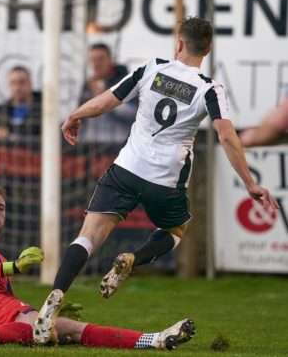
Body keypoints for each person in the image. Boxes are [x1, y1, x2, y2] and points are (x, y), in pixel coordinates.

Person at [33, 17, 280, 344]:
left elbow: (108, 100)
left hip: (126, 169)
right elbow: (227, 138)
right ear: (207, 50)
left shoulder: (152, 68)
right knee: (176, 231)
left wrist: (76, 115)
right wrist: (250, 183)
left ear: (178, 43)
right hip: (165, 182)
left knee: (88, 237)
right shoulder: (209, 88)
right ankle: (134, 259)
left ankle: (55, 295)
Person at [0, 183, 195, 350]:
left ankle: (154, 339)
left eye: (1, 207)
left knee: (71, 329)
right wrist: (13, 267)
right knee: (37, 331)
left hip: (3, 310)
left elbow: (3, 296)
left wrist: (51, 310)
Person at [78, 43, 137, 143]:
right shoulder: (88, 86)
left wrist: (106, 99)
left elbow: (133, 114)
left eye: (100, 59)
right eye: (92, 60)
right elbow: (82, 119)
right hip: (90, 146)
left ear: (110, 60)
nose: (96, 64)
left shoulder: (126, 82)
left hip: (118, 146)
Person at [0, 66, 42, 141]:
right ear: (8, 85)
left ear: (30, 84)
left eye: (21, 82)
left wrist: (9, 135)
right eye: (13, 83)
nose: (17, 87)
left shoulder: (42, 110)